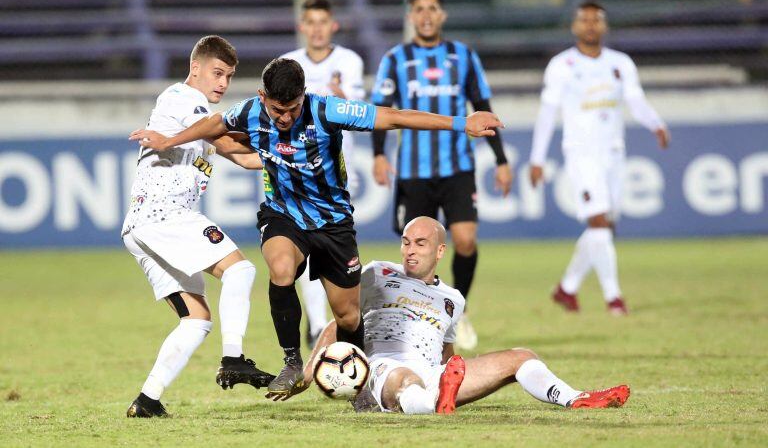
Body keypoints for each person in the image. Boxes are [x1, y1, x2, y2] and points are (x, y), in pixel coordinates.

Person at [129, 57, 502, 402]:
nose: (285, 117)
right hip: (283, 216)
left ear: (303, 97)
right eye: (277, 110)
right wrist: (169, 139)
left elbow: (393, 116)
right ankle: (292, 362)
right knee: (280, 268)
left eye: (292, 109)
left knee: (348, 317)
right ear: (263, 97)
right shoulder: (251, 110)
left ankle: (362, 383)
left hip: (334, 223)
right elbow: (214, 124)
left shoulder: (329, 110)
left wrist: (461, 123)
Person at [302, 216, 630, 414]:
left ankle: (575, 398)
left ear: (440, 251)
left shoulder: (452, 300)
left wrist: (450, 375)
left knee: (520, 356)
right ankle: (433, 404)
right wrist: (307, 373)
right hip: (383, 367)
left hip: (434, 373)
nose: (410, 250)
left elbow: (448, 359)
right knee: (407, 380)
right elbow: (342, 320)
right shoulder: (378, 274)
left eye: (419, 243)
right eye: (405, 243)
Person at [122, 35, 274, 418]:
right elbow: (218, 132)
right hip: (165, 214)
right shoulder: (184, 99)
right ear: (196, 68)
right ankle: (234, 358)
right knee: (241, 269)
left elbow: (238, 153)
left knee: (196, 319)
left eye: (229, 76)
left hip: (141, 228)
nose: (222, 83)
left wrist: (284, 156)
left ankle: (147, 401)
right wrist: (274, 130)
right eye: (217, 73)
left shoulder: (200, 120)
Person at [371, 0, 513, 350]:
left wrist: (500, 159)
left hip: (458, 168)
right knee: (416, 249)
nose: (426, 15)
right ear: (410, 17)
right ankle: (417, 315)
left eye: (432, 8)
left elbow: (482, 105)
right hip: (414, 171)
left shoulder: (462, 56)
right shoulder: (395, 59)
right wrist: (378, 154)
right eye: (419, 9)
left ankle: (456, 311)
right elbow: (382, 113)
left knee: (465, 240)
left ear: (442, 15)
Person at [529, 0, 670, 315]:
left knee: (604, 227)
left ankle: (567, 289)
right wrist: (537, 158)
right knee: (599, 222)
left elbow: (636, 101)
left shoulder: (620, 64)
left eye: (597, 20)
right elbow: (548, 114)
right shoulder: (561, 65)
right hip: (581, 153)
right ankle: (614, 298)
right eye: (585, 20)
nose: (590, 25)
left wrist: (656, 123)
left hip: (613, 152)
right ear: (575, 26)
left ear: (604, 26)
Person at [280, 0, 366, 350]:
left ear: (333, 25)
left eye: (322, 22)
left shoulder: (349, 61)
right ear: (302, 26)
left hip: (337, 169)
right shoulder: (287, 64)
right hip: (295, 171)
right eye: (310, 22)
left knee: (329, 249)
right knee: (305, 244)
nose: (316, 29)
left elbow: (360, 111)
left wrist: (342, 96)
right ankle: (317, 325)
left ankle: (328, 323)